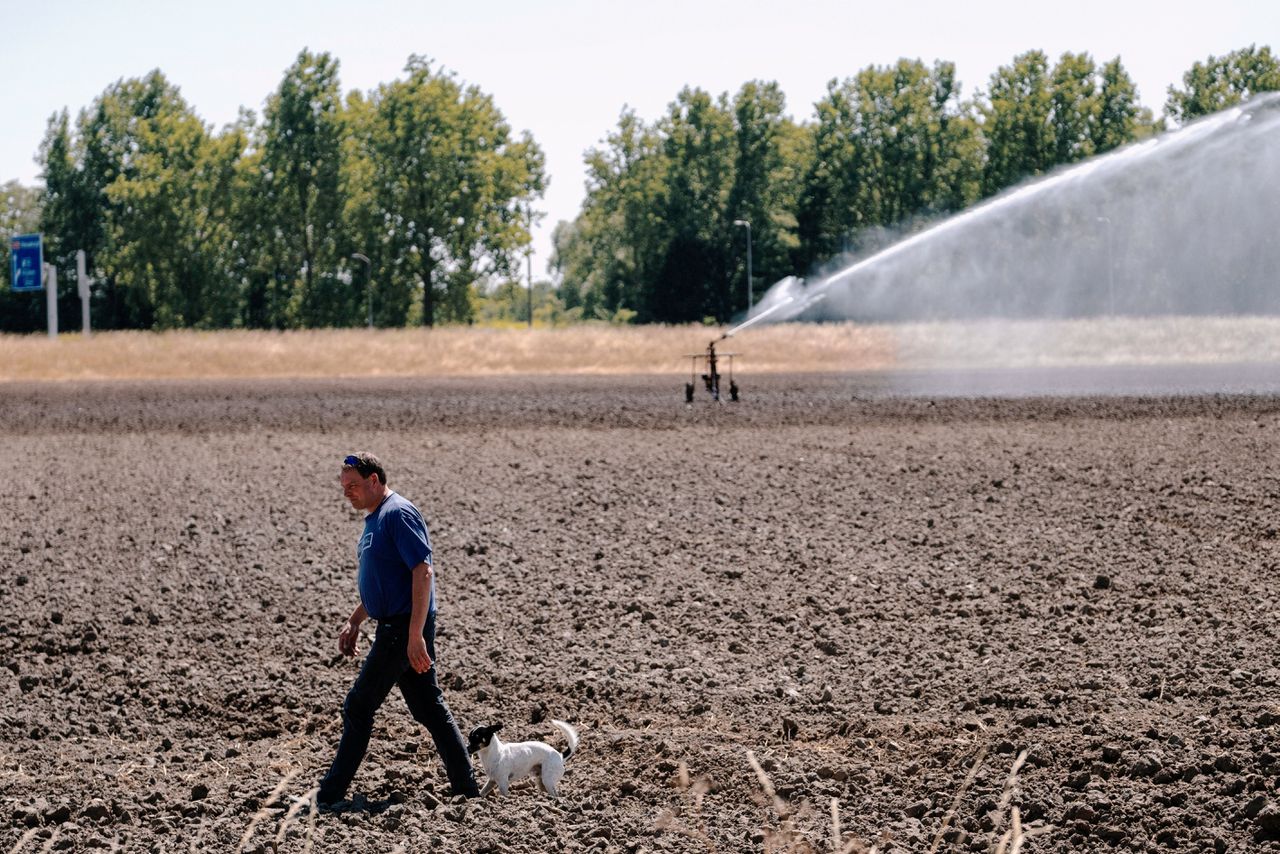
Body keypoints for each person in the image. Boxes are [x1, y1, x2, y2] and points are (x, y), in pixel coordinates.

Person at [317, 452, 479, 806]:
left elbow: (422, 572)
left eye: (354, 485)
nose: (348, 493)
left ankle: (330, 795)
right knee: (429, 708)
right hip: (397, 626)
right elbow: (385, 579)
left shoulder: (398, 513)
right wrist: (356, 619)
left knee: (358, 707)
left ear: (374, 480)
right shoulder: (374, 519)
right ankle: (466, 789)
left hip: (402, 628)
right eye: (344, 487)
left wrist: (415, 635)